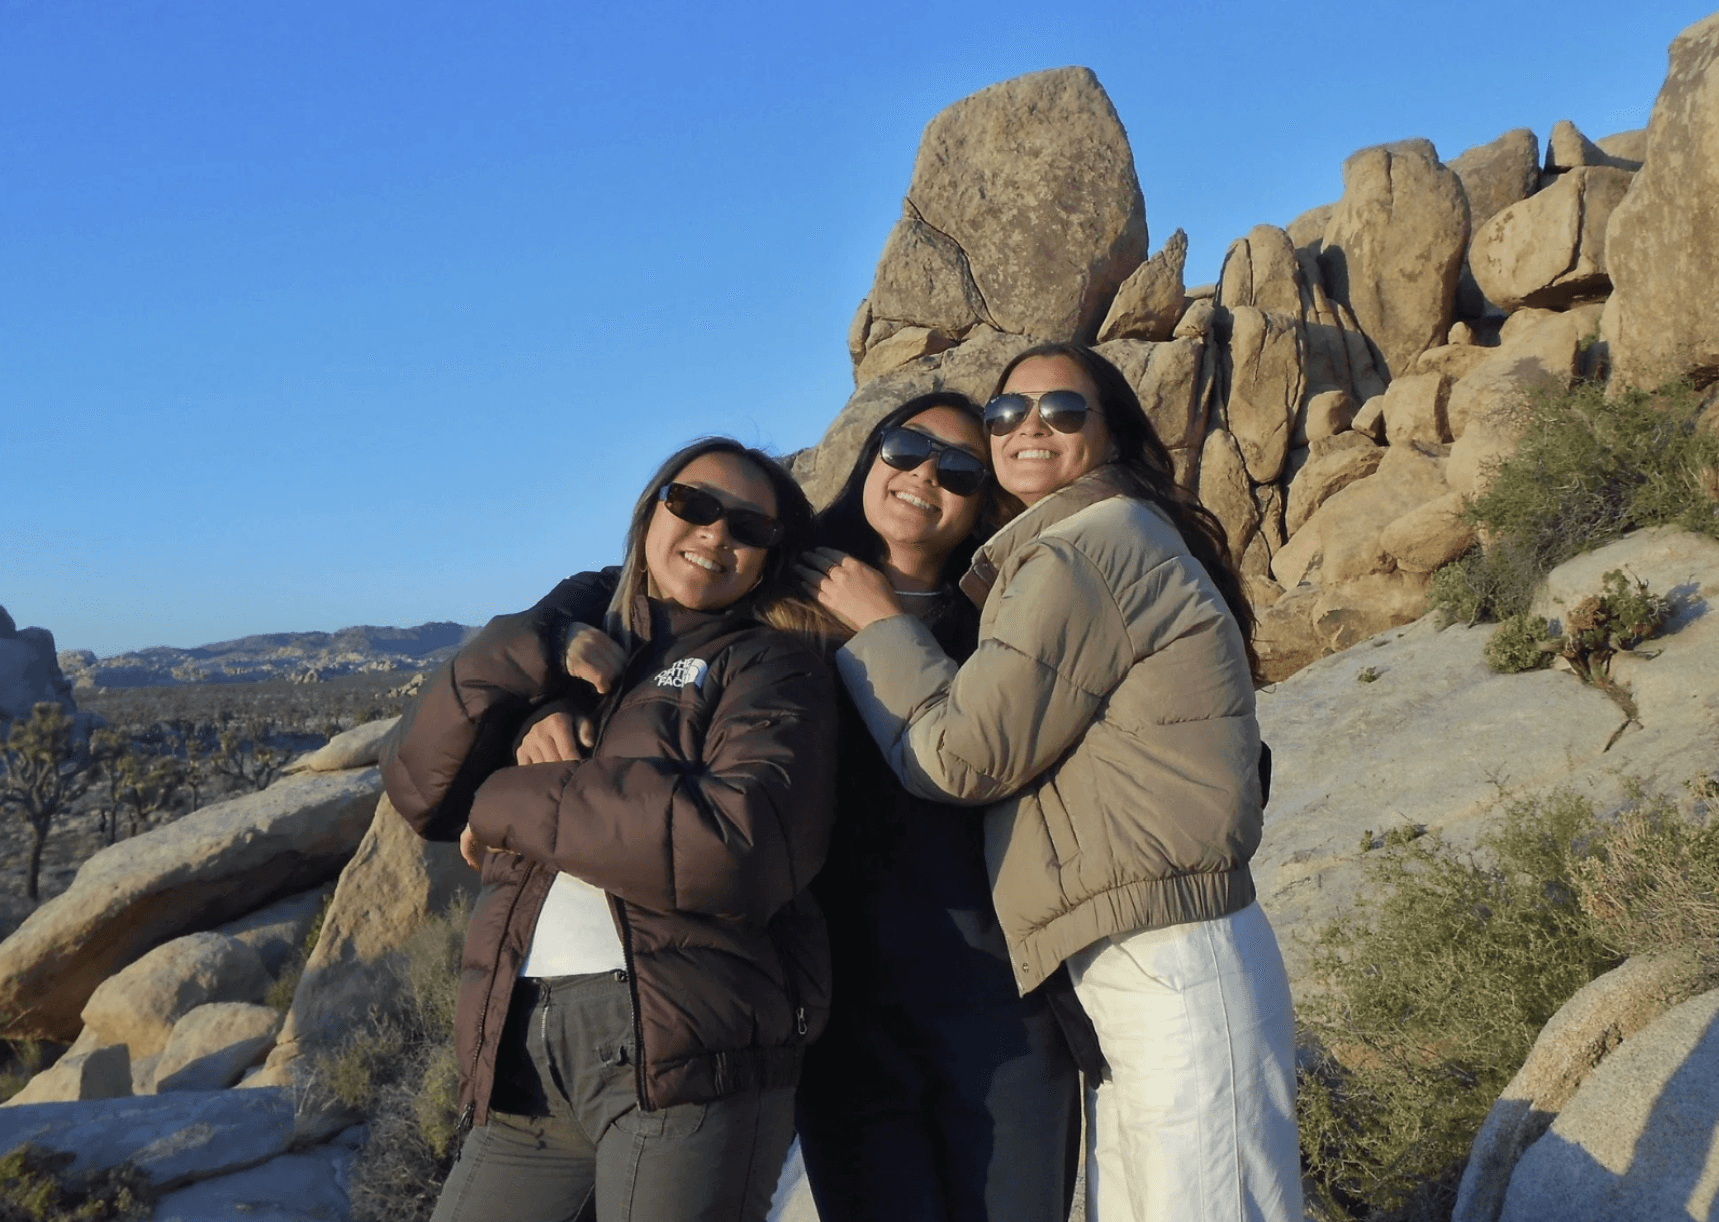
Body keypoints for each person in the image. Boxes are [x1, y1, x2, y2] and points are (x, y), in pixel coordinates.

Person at [804, 346, 1301, 1222]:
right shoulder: (1080, 549)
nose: (1028, 427)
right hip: (1123, 959)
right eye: (1007, 413)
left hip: (1163, 954)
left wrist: (878, 624)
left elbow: (962, 756)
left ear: (1111, 434)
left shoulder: (1085, 550)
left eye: (1063, 411)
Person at [380, 437, 838, 1222]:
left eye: (748, 528)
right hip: (525, 1043)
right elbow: (418, 786)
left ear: (768, 557)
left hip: (687, 1045)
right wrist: (537, 651)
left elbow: (735, 847)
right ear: (649, 511)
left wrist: (506, 800)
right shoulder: (577, 646)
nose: (715, 533)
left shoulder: (771, 666)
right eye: (694, 504)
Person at [791, 391, 1085, 1222]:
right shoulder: (779, 605)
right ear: (871, 455)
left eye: (958, 469)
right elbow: (642, 586)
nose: (925, 474)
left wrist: (882, 620)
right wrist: (552, 658)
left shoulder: (1006, 627)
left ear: (983, 506)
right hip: (843, 1018)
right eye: (906, 447)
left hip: (1003, 1012)